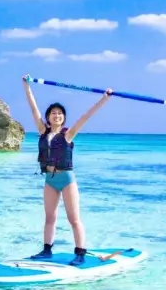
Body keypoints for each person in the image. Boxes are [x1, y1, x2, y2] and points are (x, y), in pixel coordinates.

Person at [23, 79, 113, 265]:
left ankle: (80, 253)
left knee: (74, 219)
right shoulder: (42, 132)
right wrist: (27, 87)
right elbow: (33, 109)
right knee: (50, 217)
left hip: (67, 179)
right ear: (48, 117)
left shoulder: (68, 134)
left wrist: (104, 99)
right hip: (49, 179)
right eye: (53, 113)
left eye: (60, 113)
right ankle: (47, 250)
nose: (57, 116)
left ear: (63, 118)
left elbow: (86, 116)